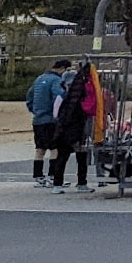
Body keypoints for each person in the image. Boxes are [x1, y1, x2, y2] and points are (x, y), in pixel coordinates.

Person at [49, 62, 93, 191]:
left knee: (69, 157)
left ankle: (64, 184)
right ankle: (76, 183)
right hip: (70, 130)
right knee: (69, 157)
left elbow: (56, 114)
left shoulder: (63, 97)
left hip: (67, 129)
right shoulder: (75, 98)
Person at [26, 58, 68, 186]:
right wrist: (60, 115)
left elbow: (29, 96)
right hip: (51, 119)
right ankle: (53, 176)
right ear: (62, 69)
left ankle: (38, 176)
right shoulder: (57, 81)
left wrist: (35, 110)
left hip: (38, 119)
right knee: (55, 149)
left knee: (40, 149)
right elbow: (58, 98)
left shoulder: (39, 79)